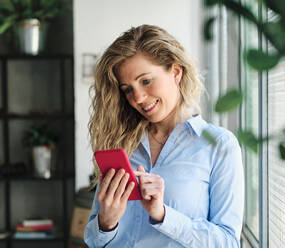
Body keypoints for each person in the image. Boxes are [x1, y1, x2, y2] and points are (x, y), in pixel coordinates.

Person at [84, 24, 244, 248]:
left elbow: (227, 243)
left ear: (176, 72)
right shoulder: (122, 146)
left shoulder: (219, 145)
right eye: (127, 89)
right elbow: (93, 241)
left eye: (146, 81)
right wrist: (106, 222)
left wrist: (163, 215)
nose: (138, 98)